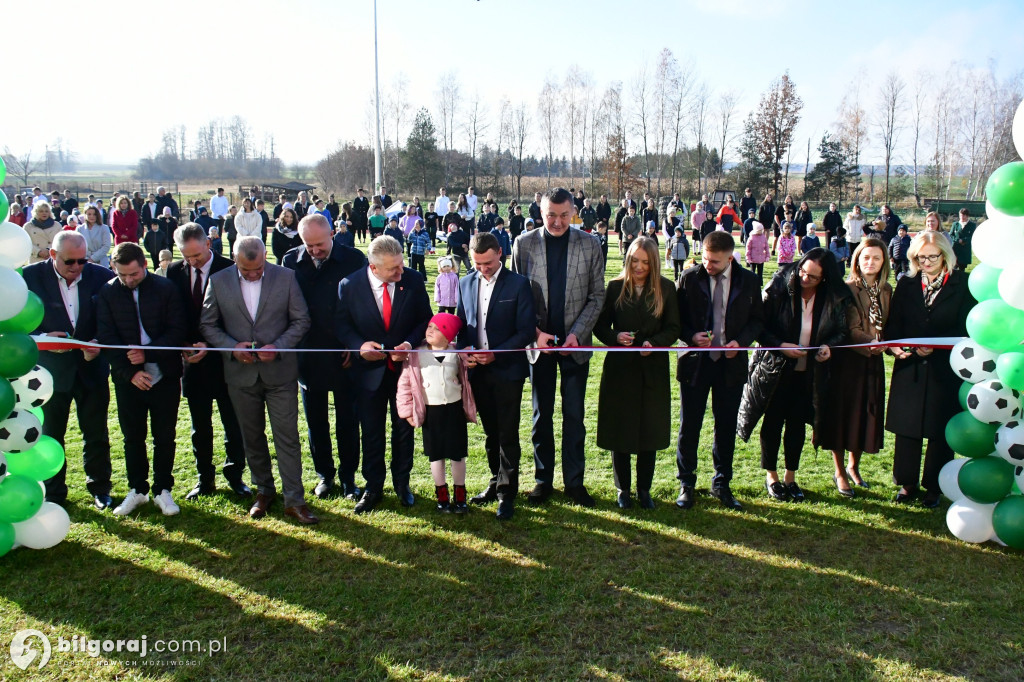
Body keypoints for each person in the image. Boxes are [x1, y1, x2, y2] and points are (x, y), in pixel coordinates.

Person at [200, 236, 316, 523]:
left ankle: (295, 499)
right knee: (251, 437)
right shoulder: (218, 280)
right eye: (245, 270)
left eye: (258, 269)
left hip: (279, 373)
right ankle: (264, 491)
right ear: (235, 260)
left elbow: (301, 320)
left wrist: (278, 346)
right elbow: (207, 324)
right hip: (240, 376)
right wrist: (231, 347)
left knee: (287, 436)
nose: (252, 275)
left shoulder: (286, 277)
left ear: (265, 257)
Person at [511, 188, 606, 507]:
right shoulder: (523, 244)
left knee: (574, 416)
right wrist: (535, 332)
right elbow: (518, 296)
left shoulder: (590, 243)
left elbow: (597, 296)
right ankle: (542, 480)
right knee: (541, 416)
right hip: (539, 347)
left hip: (575, 346)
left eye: (564, 214)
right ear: (540, 211)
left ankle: (575, 483)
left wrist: (577, 334)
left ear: (574, 212)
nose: (557, 221)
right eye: (551, 214)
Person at [738, 248, 850, 502]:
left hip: (809, 372)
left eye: (812, 276)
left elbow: (841, 330)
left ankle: (791, 477)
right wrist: (780, 345)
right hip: (775, 368)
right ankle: (772, 477)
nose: (804, 278)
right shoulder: (779, 285)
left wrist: (828, 346)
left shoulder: (835, 297)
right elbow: (759, 326)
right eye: (802, 270)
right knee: (773, 422)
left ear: (825, 278)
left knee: (797, 424)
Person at [335, 235, 432, 514]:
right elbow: (342, 325)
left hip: (403, 371)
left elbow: (425, 319)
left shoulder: (412, 280)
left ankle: (403, 483)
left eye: (401, 265)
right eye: (393, 269)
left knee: (404, 430)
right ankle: (373, 486)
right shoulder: (350, 286)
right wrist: (358, 346)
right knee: (372, 431)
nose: (400, 272)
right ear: (374, 267)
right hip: (368, 373)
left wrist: (410, 344)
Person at [675, 231, 765, 511]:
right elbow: (675, 318)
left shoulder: (749, 281)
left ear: (730, 258)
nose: (707, 265)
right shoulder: (690, 277)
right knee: (690, 425)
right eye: (704, 258)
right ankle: (686, 483)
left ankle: (722, 483)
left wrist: (743, 341)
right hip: (696, 362)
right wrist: (691, 336)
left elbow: (758, 320)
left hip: (731, 365)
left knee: (725, 426)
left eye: (714, 261)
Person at [884, 231, 975, 508]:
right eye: (920, 258)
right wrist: (897, 348)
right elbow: (894, 327)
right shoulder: (907, 284)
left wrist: (937, 347)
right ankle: (906, 484)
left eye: (931, 257)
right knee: (907, 427)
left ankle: (934, 487)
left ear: (945, 255)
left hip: (946, 369)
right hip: (910, 368)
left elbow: (966, 329)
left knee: (940, 429)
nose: (926, 262)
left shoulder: (963, 284)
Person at [23, 231, 113, 509]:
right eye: (69, 262)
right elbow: (17, 324)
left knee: (96, 432)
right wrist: (44, 339)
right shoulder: (29, 278)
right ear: (52, 255)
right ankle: (54, 493)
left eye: (82, 260)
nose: (76, 267)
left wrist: (99, 342)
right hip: (48, 375)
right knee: (51, 434)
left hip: (91, 368)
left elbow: (111, 318)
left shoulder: (101, 276)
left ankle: (100, 487)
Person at [96, 242, 187, 516]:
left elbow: (177, 331)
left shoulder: (166, 288)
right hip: (128, 380)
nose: (127, 280)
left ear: (144, 265)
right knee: (132, 437)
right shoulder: (108, 292)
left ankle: (163, 490)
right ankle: (138, 489)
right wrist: (130, 372)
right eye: (121, 274)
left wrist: (147, 353)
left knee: (164, 435)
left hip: (165, 376)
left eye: (133, 274)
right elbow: (107, 338)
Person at [281, 214, 367, 501]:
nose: (315, 251)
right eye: (309, 245)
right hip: (308, 354)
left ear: (332, 234)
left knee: (347, 419)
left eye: (319, 244)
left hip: (344, 353)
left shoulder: (354, 259)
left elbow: (362, 305)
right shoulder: (290, 261)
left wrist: (352, 344)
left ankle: (348, 479)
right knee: (316, 421)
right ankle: (324, 476)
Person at [167, 223, 252, 501]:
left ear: (208, 244)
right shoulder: (173, 272)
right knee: (199, 425)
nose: (193, 262)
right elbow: (175, 313)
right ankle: (205, 478)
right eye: (186, 256)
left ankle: (235, 475)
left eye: (197, 255)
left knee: (233, 422)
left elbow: (239, 316)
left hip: (226, 360)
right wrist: (184, 344)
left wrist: (213, 344)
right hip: (193, 362)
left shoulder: (230, 268)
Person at [594, 237, 680, 510]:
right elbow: (599, 326)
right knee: (620, 429)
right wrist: (615, 336)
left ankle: (644, 490)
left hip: (652, 369)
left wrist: (654, 343)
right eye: (635, 260)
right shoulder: (615, 287)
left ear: (654, 262)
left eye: (645, 261)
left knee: (649, 431)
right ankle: (623, 489)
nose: (640, 266)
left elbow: (674, 328)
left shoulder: (666, 289)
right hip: (621, 369)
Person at [454, 232, 536, 519]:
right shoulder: (465, 283)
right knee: (490, 433)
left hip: (508, 371)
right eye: (477, 264)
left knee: (507, 433)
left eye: (487, 263)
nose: (483, 269)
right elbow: (461, 326)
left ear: (500, 253)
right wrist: (463, 350)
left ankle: (506, 493)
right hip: (478, 372)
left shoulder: (519, 284)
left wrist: (496, 353)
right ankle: (494, 481)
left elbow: (525, 331)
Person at [818, 238, 892, 497]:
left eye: (876, 258)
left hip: (873, 361)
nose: (870, 262)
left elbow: (889, 325)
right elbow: (850, 328)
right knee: (842, 416)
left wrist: (891, 345)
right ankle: (839, 471)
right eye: (865, 257)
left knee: (865, 416)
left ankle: (854, 466)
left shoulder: (886, 290)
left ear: (884, 262)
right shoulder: (846, 289)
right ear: (857, 260)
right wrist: (871, 343)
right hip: (847, 362)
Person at [397, 313, 477, 513]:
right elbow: (405, 384)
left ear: (448, 335)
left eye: (437, 328)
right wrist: (406, 410)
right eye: (429, 326)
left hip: (454, 410)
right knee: (436, 455)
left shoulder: (457, 353)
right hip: (431, 413)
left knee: (457, 455)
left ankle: (460, 496)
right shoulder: (416, 354)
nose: (430, 330)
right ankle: (442, 496)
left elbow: (466, 378)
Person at [745, 221, 770, 286]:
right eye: (759, 230)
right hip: (753, 259)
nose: (761, 231)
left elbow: (766, 247)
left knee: (760, 272)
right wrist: (748, 258)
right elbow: (748, 249)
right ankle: (752, 283)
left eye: (761, 230)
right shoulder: (751, 238)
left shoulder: (763, 237)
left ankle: (759, 284)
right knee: (752, 272)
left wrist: (767, 256)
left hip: (761, 259)